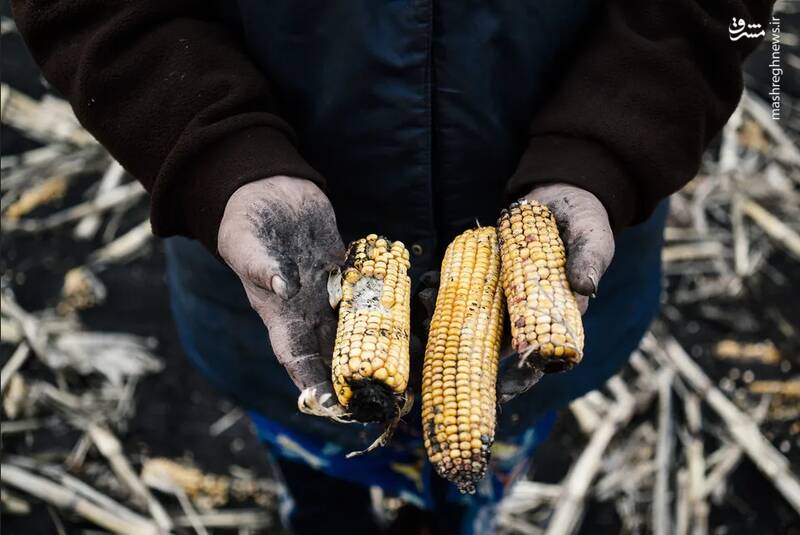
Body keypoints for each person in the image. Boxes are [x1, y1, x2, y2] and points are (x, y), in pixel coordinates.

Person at [13, 1, 773, 532]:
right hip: (269, 298)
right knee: (314, 448)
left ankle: (457, 516)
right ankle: (323, 514)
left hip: (540, 300)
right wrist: (221, 155)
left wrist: (604, 150)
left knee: (480, 460)